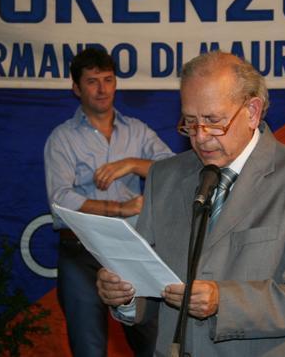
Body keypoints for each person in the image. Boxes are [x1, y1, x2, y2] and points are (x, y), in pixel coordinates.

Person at [96, 51, 285, 356]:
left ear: (252, 111)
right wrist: (125, 296)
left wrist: (223, 302)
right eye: (190, 122)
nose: (200, 137)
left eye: (213, 121)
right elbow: (148, 284)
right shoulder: (164, 176)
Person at [44, 48, 174, 357]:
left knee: (153, 345)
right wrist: (119, 209)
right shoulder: (62, 138)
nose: (102, 89)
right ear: (76, 88)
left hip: (129, 248)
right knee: (89, 348)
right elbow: (60, 199)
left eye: (108, 79)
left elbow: (173, 170)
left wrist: (132, 163)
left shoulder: (137, 130)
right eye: (92, 81)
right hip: (80, 251)